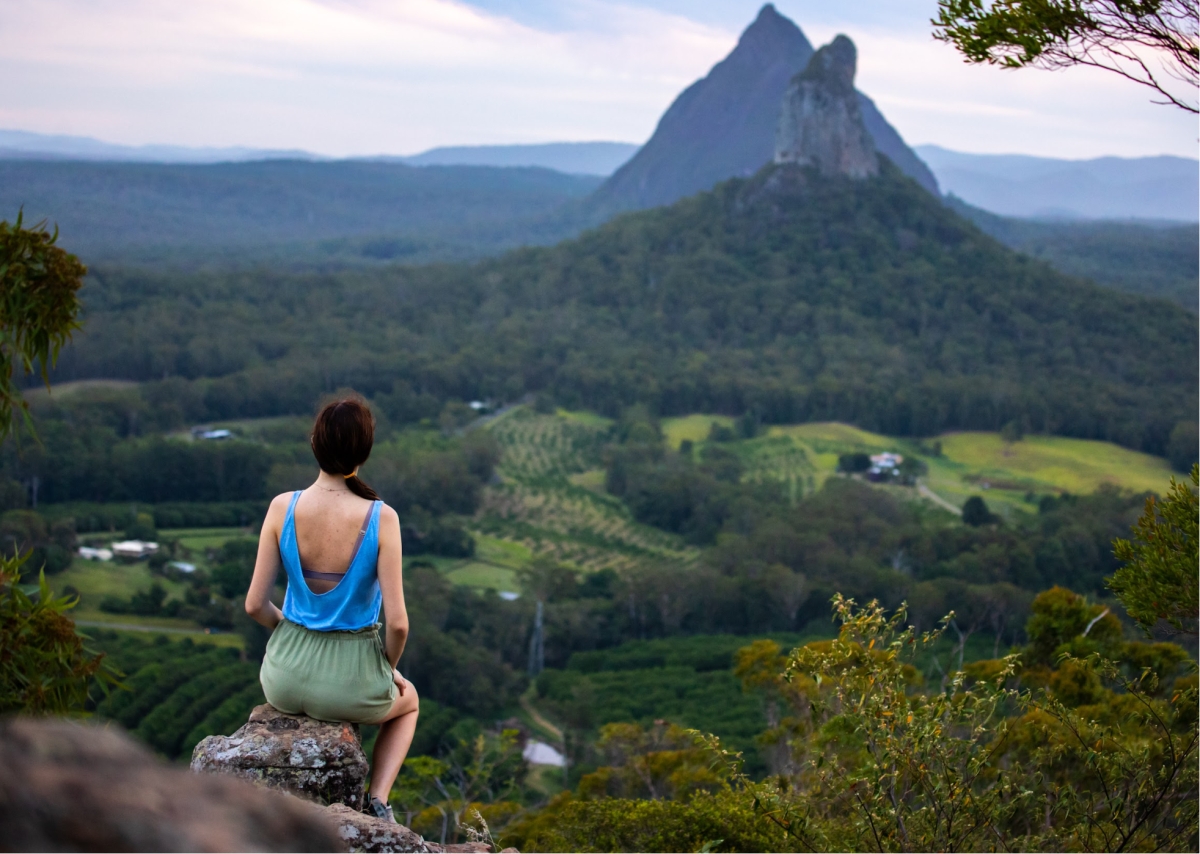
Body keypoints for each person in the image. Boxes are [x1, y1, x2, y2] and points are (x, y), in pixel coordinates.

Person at [245, 395, 418, 823]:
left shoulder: (281, 507)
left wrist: (289, 629)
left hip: (282, 679)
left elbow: (254, 605)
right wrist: (385, 668)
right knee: (410, 701)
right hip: (349, 683)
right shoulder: (382, 518)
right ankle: (377, 801)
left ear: (314, 444)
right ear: (364, 452)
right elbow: (397, 624)